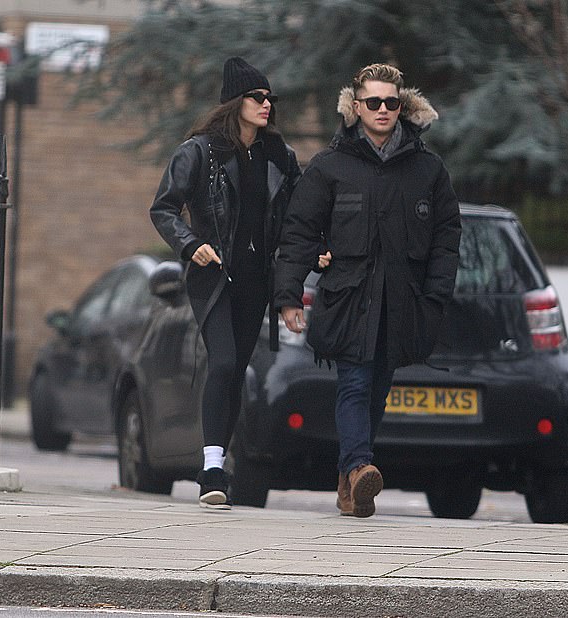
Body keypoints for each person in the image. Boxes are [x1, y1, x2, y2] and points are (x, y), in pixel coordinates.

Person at [274, 63, 462, 518]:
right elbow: (300, 231)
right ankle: (360, 465)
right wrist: (287, 296)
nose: (382, 110)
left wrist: (435, 298)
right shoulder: (330, 166)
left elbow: (447, 235)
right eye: (373, 102)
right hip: (347, 298)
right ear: (355, 107)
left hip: (401, 303)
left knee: (377, 388)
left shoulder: (427, 170)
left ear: (403, 107)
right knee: (355, 383)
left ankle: (348, 481)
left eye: (391, 102)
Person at [150, 57, 304, 510]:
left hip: (256, 278)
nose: (266, 105)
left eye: (270, 99)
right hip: (213, 275)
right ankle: (212, 468)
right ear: (236, 102)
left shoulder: (279, 157)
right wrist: (188, 242)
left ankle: (220, 462)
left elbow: (298, 214)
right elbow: (163, 208)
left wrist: (313, 248)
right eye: (258, 97)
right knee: (222, 362)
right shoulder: (200, 152)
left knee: (236, 370)